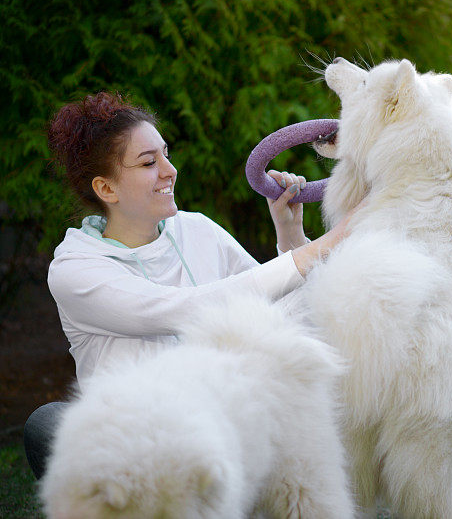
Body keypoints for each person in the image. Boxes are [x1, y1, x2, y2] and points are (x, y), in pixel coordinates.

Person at [23, 91, 353, 479]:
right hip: (138, 446)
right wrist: (324, 246)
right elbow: (183, 309)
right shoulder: (76, 270)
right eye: (149, 162)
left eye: (166, 154)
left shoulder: (196, 230)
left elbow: (286, 323)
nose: (169, 170)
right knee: (48, 424)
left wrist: (291, 235)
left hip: (223, 427)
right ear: (107, 189)